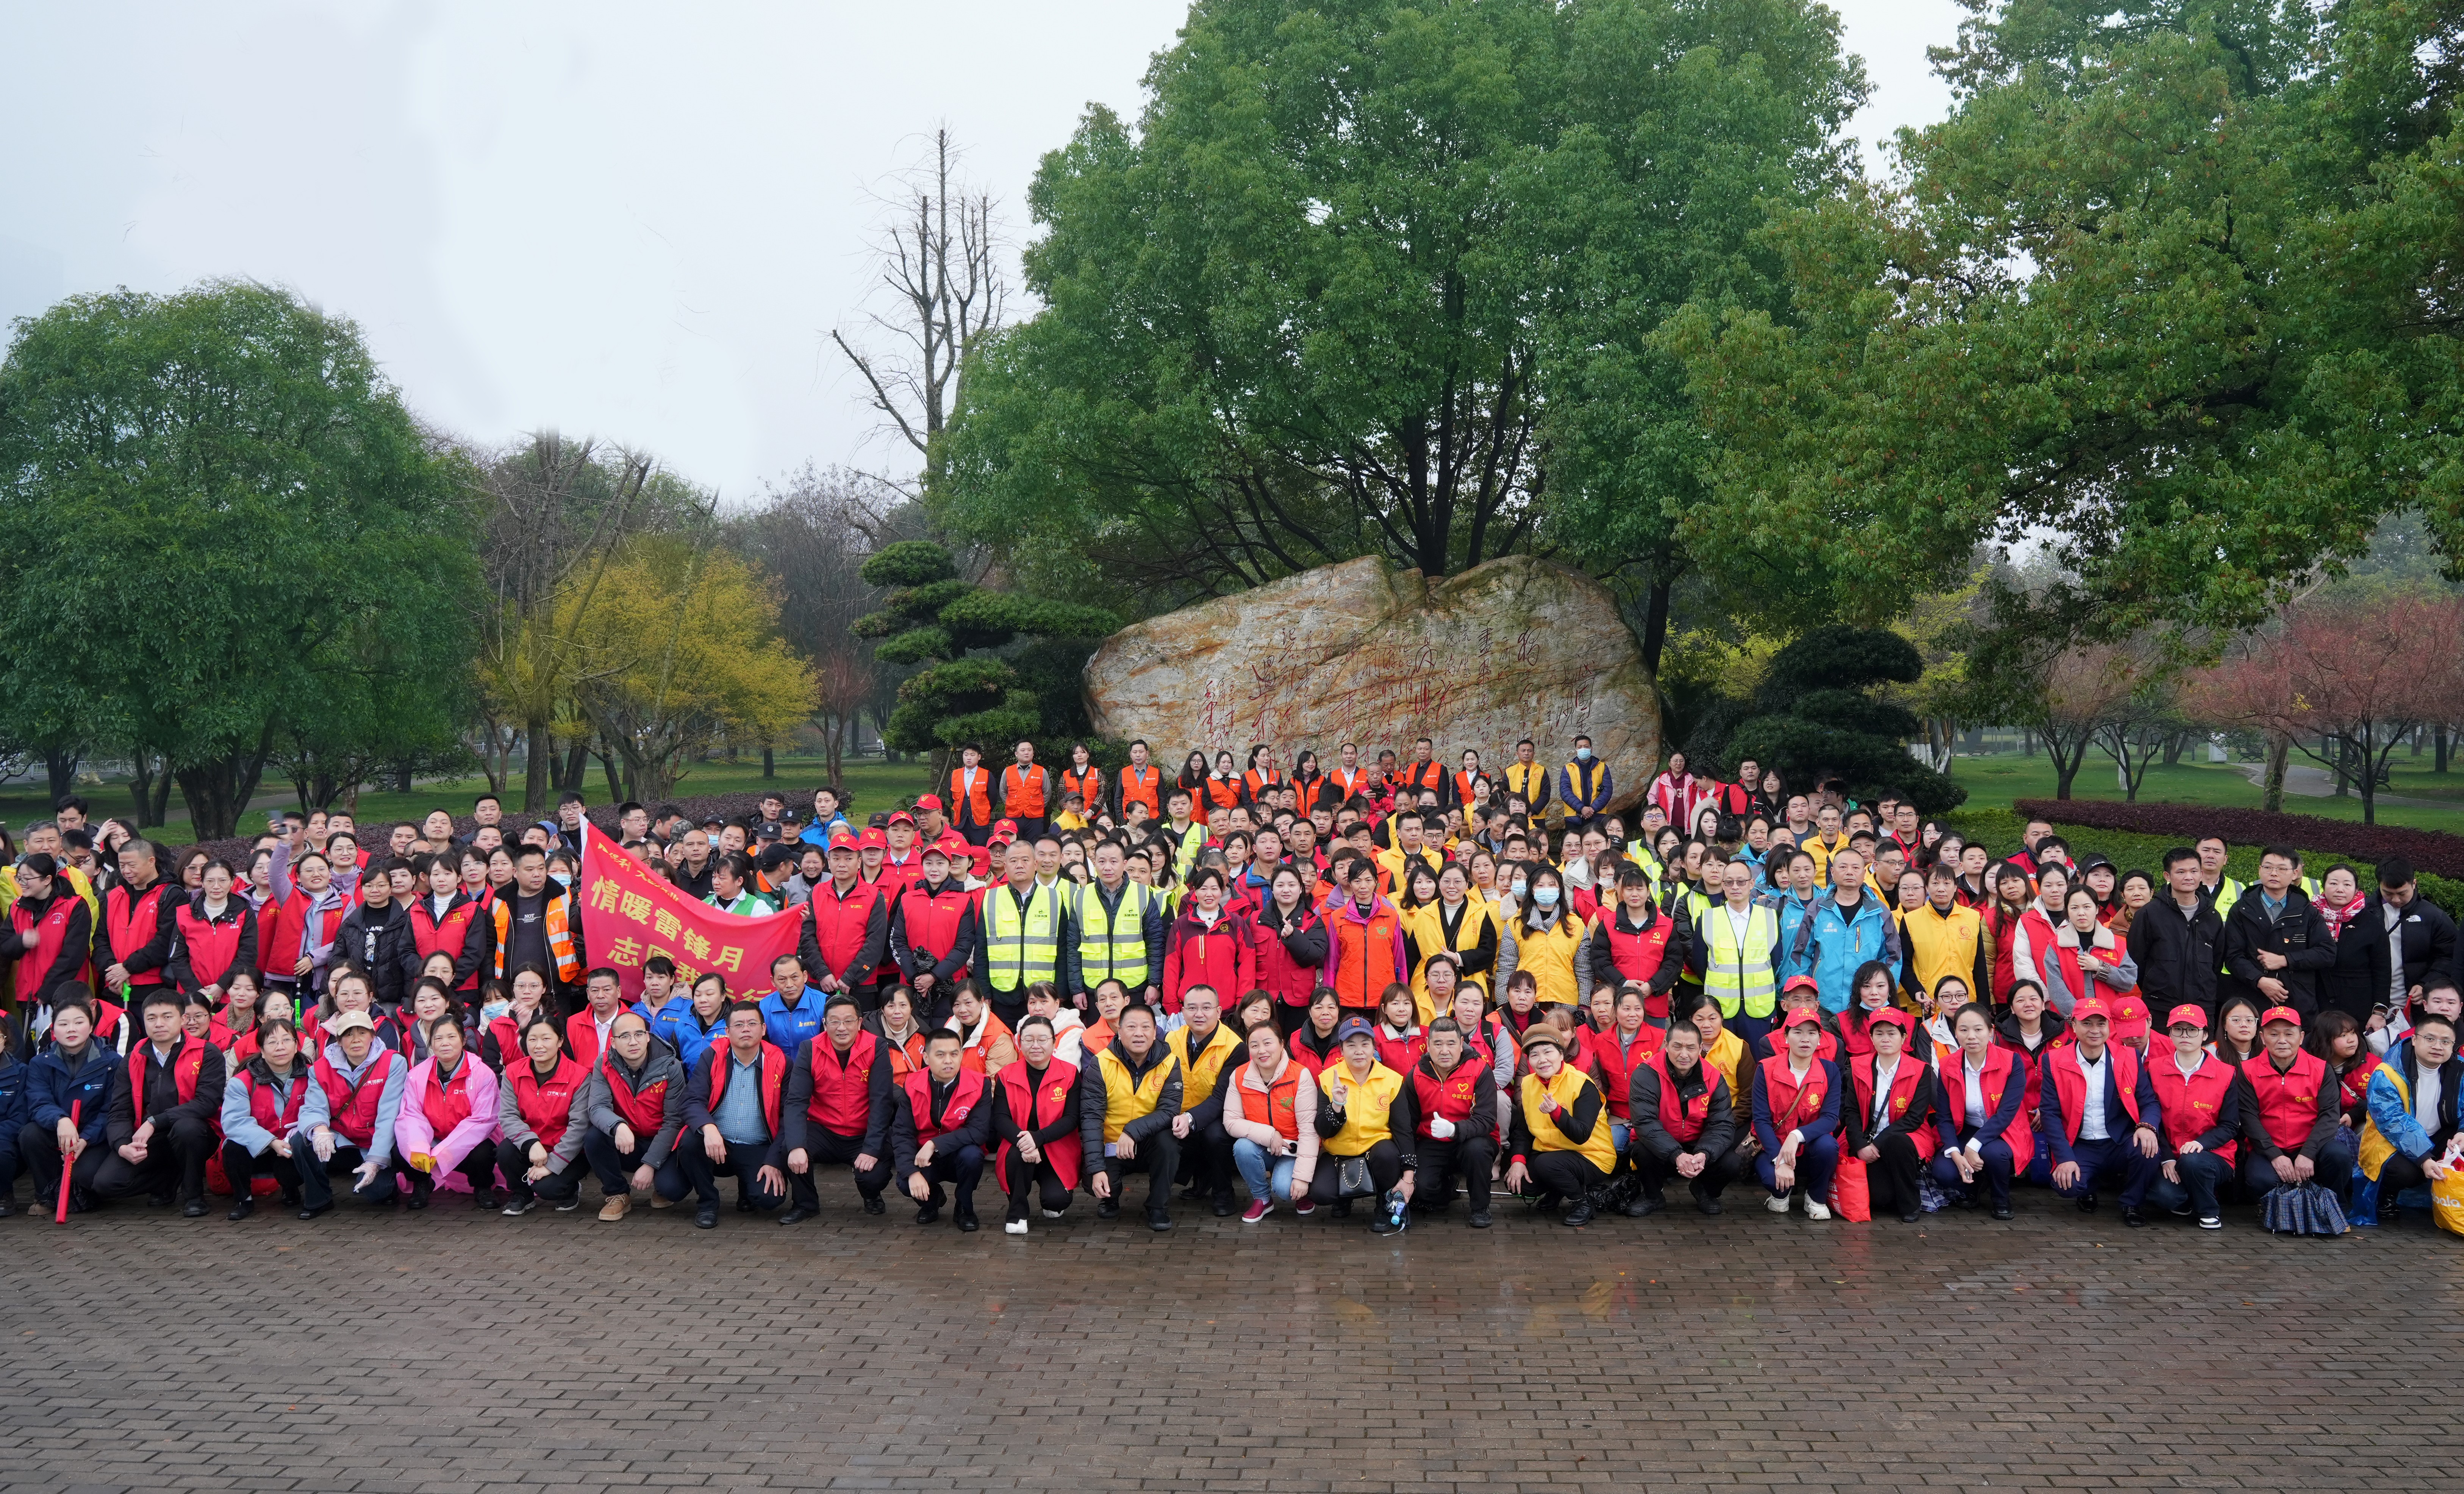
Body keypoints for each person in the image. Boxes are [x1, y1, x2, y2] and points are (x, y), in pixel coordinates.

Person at [89, 986, 227, 1216]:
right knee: (106, 1183)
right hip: (147, 1138)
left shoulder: (207, 1053)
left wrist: (155, 1121)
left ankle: (194, 1196)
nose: (159, 1024)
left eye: (167, 1017)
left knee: (187, 1128)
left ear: (182, 1019)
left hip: (194, 1133)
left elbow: (207, 1103)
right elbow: (119, 1110)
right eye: (152, 1018)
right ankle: (166, 1181)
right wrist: (122, 1145)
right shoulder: (133, 1057)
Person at [2036, 997, 2164, 1226]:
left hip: (2119, 1140)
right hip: (2081, 1142)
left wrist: (2147, 1127)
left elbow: (2149, 1102)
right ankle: (2089, 1188)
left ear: (2109, 1027)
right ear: (2073, 1025)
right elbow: (2050, 1114)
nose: (2095, 1030)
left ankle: (2132, 1203)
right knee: (2068, 1186)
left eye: (2101, 1024)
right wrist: (2064, 1158)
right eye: (2087, 1024)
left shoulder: (2128, 1057)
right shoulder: (2053, 1061)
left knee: (2149, 1150)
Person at [778, 994, 894, 1222]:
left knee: (873, 1176)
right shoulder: (809, 1049)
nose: (842, 1028)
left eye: (849, 1021)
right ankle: (806, 1204)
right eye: (834, 1021)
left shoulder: (876, 1046)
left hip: (863, 1131)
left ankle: (871, 1195)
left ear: (860, 1023)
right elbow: (796, 1102)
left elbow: (882, 1101)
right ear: (825, 1023)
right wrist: (796, 1145)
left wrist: (871, 1149)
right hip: (824, 1130)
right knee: (790, 1149)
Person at [679, 1002, 788, 1228]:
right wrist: (708, 1129)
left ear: (764, 1029)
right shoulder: (712, 1056)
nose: (746, 1029)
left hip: (757, 1145)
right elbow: (692, 1100)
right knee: (690, 1142)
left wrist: (774, 1160)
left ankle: (747, 1191)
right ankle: (708, 1204)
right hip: (717, 1143)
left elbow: (790, 1117)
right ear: (727, 1032)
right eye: (738, 1025)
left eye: (752, 1024)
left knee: (770, 1200)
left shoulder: (781, 1062)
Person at [292, 1009, 408, 1218]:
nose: (356, 1040)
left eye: (362, 1033)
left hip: (375, 1139)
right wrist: (319, 1130)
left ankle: (385, 1183)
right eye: (348, 1035)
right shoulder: (319, 1069)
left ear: (373, 1036)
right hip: (340, 1138)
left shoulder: (394, 1062)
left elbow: (389, 1115)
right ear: (338, 1040)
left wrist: (376, 1160)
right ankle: (318, 1198)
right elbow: (313, 1108)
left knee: (378, 1193)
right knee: (303, 1141)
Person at [579, 1008, 691, 1221]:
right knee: (594, 1137)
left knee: (673, 1190)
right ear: (613, 1042)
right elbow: (597, 1107)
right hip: (627, 1140)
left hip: (663, 1143)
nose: (633, 1042)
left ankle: (661, 1185)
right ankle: (618, 1193)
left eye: (639, 1034)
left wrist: (650, 1165)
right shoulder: (603, 1064)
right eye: (625, 1036)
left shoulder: (671, 1066)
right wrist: (618, 1126)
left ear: (648, 1037)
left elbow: (674, 1121)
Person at [1080, 1001, 1182, 1231]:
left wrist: (1133, 1131)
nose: (1139, 1034)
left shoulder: (1170, 1062)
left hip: (1148, 1141)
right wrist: (1096, 1170)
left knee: (1169, 1143)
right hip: (1112, 1144)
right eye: (1132, 1027)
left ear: (1156, 1032)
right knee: (1095, 1182)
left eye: (1146, 1027)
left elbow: (1169, 1110)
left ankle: (1158, 1206)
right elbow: (1091, 1118)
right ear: (1119, 1030)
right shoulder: (1101, 1064)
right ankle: (1111, 1197)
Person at [2238, 1004, 2353, 1201]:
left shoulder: (2321, 1069)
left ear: (2301, 1038)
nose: (2282, 1041)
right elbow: (2248, 1117)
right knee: (2260, 1180)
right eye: (2274, 1034)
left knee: (2339, 1157)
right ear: (2263, 1038)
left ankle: (2336, 1209)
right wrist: (2275, 1155)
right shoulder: (2248, 1070)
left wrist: (2308, 1153)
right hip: (2269, 1147)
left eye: (2289, 1034)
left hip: (2313, 1146)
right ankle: (2281, 1210)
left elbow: (2329, 1115)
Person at [1629, 1014, 1742, 1215]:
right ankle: (1653, 1196)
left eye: (1691, 1048)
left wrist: (1704, 1154)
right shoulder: (1647, 1073)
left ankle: (1704, 1190)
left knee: (1731, 1162)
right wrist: (1677, 1154)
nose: (1684, 1054)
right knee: (1642, 1151)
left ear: (1700, 1049)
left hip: (1697, 1145)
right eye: (1677, 1046)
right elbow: (1645, 1122)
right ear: (1666, 1045)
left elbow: (1722, 1125)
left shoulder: (1714, 1077)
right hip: (1661, 1147)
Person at [1503, 1022, 1614, 1226]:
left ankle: (1582, 1203)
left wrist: (1556, 1112)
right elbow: (1523, 1130)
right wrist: (1517, 1161)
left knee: (1548, 1165)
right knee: (1519, 1184)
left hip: (1592, 1155)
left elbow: (1581, 1134)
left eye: (1548, 1052)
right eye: (1535, 1055)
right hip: (1551, 1151)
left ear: (1562, 1055)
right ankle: (1558, 1189)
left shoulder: (1582, 1084)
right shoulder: (1528, 1084)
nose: (1542, 1060)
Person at [1931, 1002, 2032, 1220]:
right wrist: (1956, 1153)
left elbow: (2007, 1114)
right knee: (1943, 1172)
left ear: (1991, 1032)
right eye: (1964, 1030)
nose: (1971, 1036)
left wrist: (1973, 1146)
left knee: (1993, 1153)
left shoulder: (2012, 1061)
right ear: (1956, 1033)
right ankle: (1975, 1189)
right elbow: (1944, 1116)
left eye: (1978, 1029)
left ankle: (2001, 1198)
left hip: (2002, 1130)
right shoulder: (1947, 1065)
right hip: (1965, 1129)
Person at [2145, 1005, 2242, 1229]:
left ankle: (2209, 1211)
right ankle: (2189, 1196)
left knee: (2193, 1161)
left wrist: (2200, 1143)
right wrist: (2167, 1157)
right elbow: (2153, 1119)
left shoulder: (2226, 1074)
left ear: (2205, 1035)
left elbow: (2230, 1126)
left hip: (2213, 1155)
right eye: (2178, 1030)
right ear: (2170, 1034)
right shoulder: (2154, 1069)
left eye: (2192, 1030)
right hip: (2171, 1155)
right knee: (2165, 1197)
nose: (2185, 1036)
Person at [888, 1026, 993, 1230]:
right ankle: (932, 1200)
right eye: (940, 1055)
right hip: (925, 1159)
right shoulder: (912, 1083)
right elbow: (902, 1132)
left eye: (954, 1054)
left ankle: (964, 1207)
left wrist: (935, 1144)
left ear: (961, 1055)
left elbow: (979, 1132)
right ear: (926, 1057)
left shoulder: (980, 1084)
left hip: (958, 1155)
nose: (948, 1060)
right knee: (904, 1182)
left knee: (973, 1156)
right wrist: (912, 1173)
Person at [2358, 1012, 2463, 1212]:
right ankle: (2386, 1194)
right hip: (2390, 1141)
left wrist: (2463, 1132)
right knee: (2406, 1173)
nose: (2438, 1046)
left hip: (2441, 1135)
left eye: (2446, 1042)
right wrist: (2424, 1158)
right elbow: (2393, 1121)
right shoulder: (2387, 1073)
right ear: (2414, 1039)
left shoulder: (2459, 1070)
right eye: (2430, 1039)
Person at [395, 1012, 499, 1209]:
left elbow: (483, 1120)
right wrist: (419, 1146)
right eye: (438, 1038)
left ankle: (483, 1187)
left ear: (463, 1039)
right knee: (401, 1149)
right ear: (431, 1043)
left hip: (471, 1140)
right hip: (434, 1137)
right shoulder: (417, 1075)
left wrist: (444, 1151)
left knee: (483, 1153)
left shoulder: (482, 1073)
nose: (445, 1043)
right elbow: (411, 1115)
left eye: (452, 1037)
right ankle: (421, 1184)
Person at [1842, 1006, 1936, 1224]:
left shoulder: (1921, 1070)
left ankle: (1910, 1204)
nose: (1886, 1039)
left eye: (1892, 1033)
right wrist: (1860, 1146)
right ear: (1872, 1038)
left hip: (1907, 1137)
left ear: (1904, 1037)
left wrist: (1878, 1144)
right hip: (1867, 1137)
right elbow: (1852, 1112)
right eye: (1879, 1033)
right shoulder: (1858, 1068)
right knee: (1880, 1198)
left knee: (1897, 1143)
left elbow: (1914, 1118)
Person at [1749, 1008, 1842, 1220]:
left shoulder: (1830, 1071)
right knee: (1775, 1183)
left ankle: (1817, 1197)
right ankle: (1780, 1195)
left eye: (1812, 1033)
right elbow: (1761, 1120)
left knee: (1828, 1147)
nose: (1805, 1039)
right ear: (1786, 1037)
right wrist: (1780, 1160)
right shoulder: (1766, 1069)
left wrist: (1796, 1136)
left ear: (1820, 1038)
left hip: (1810, 1147)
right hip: (1774, 1144)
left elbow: (1830, 1119)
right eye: (1797, 1032)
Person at [2220, 847, 2334, 1021]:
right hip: (2251, 1000)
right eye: (2268, 867)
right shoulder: (2242, 909)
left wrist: (2286, 960)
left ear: (2295, 873)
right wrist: (2259, 980)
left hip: (2297, 1000)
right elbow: (2233, 956)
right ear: (2260, 870)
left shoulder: (2306, 910)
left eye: (2282, 869)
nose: (2274, 873)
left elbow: (2327, 953)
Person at [992, 1013, 1081, 1233]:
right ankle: (1017, 1213)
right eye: (1028, 1040)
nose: (1036, 1046)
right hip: (1019, 1148)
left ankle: (1051, 1194)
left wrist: (1038, 1138)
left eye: (1043, 1040)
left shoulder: (1069, 1074)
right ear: (1019, 1043)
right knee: (1015, 1157)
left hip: (1056, 1149)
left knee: (1056, 1202)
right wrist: (1025, 1142)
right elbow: (1000, 1118)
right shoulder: (1006, 1075)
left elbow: (1072, 1118)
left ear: (1053, 1042)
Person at [217, 1014, 312, 1219]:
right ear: (261, 1049)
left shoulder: (312, 1076)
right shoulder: (241, 1081)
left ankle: (291, 1189)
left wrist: (288, 1141)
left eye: (287, 1040)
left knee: (298, 1158)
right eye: (272, 1042)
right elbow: (234, 1122)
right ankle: (243, 1199)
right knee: (233, 1148)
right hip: (256, 1147)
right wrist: (271, 1142)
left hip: (290, 1144)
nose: (280, 1047)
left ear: (297, 1046)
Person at [492, 1014, 589, 1214]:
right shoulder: (513, 1072)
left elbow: (579, 1126)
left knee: (549, 1189)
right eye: (532, 1039)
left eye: (546, 1038)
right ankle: (522, 1195)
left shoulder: (579, 1076)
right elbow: (508, 1116)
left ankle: (570, 1190)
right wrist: (531, 1143)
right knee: (505, 1150)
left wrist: (552, 1165)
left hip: (568, 1152)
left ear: (560, 1041)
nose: (539, 1045)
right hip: (532, 1147)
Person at [1690, 856, 1783, 1054]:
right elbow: (1699, 962)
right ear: (1723, 885)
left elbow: (1775, 960)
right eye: (1729, 882)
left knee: (1758, 1064)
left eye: (1741, 882)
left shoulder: (1769, 917)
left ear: (1751, 884)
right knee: (1722, 1065)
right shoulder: (1708, 918)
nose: (1735, 887)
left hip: (1759, 1009)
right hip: (1721, 1009)